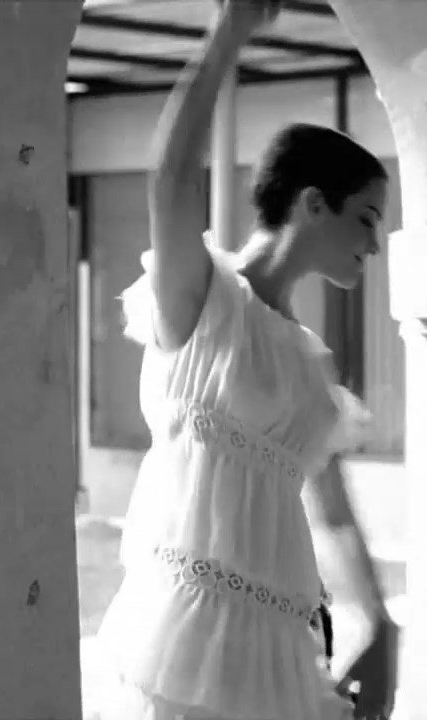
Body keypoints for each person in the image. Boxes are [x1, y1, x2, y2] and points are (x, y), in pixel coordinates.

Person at [92, 1, 398, 719]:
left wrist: (378, 622)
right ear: (313, 204)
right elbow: (170, 181)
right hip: (180, 641)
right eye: (366, 219)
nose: (374, 245)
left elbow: (333, 514)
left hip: (278, 654)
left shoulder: (310, 363)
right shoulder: (203, 299)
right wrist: (226, 35)